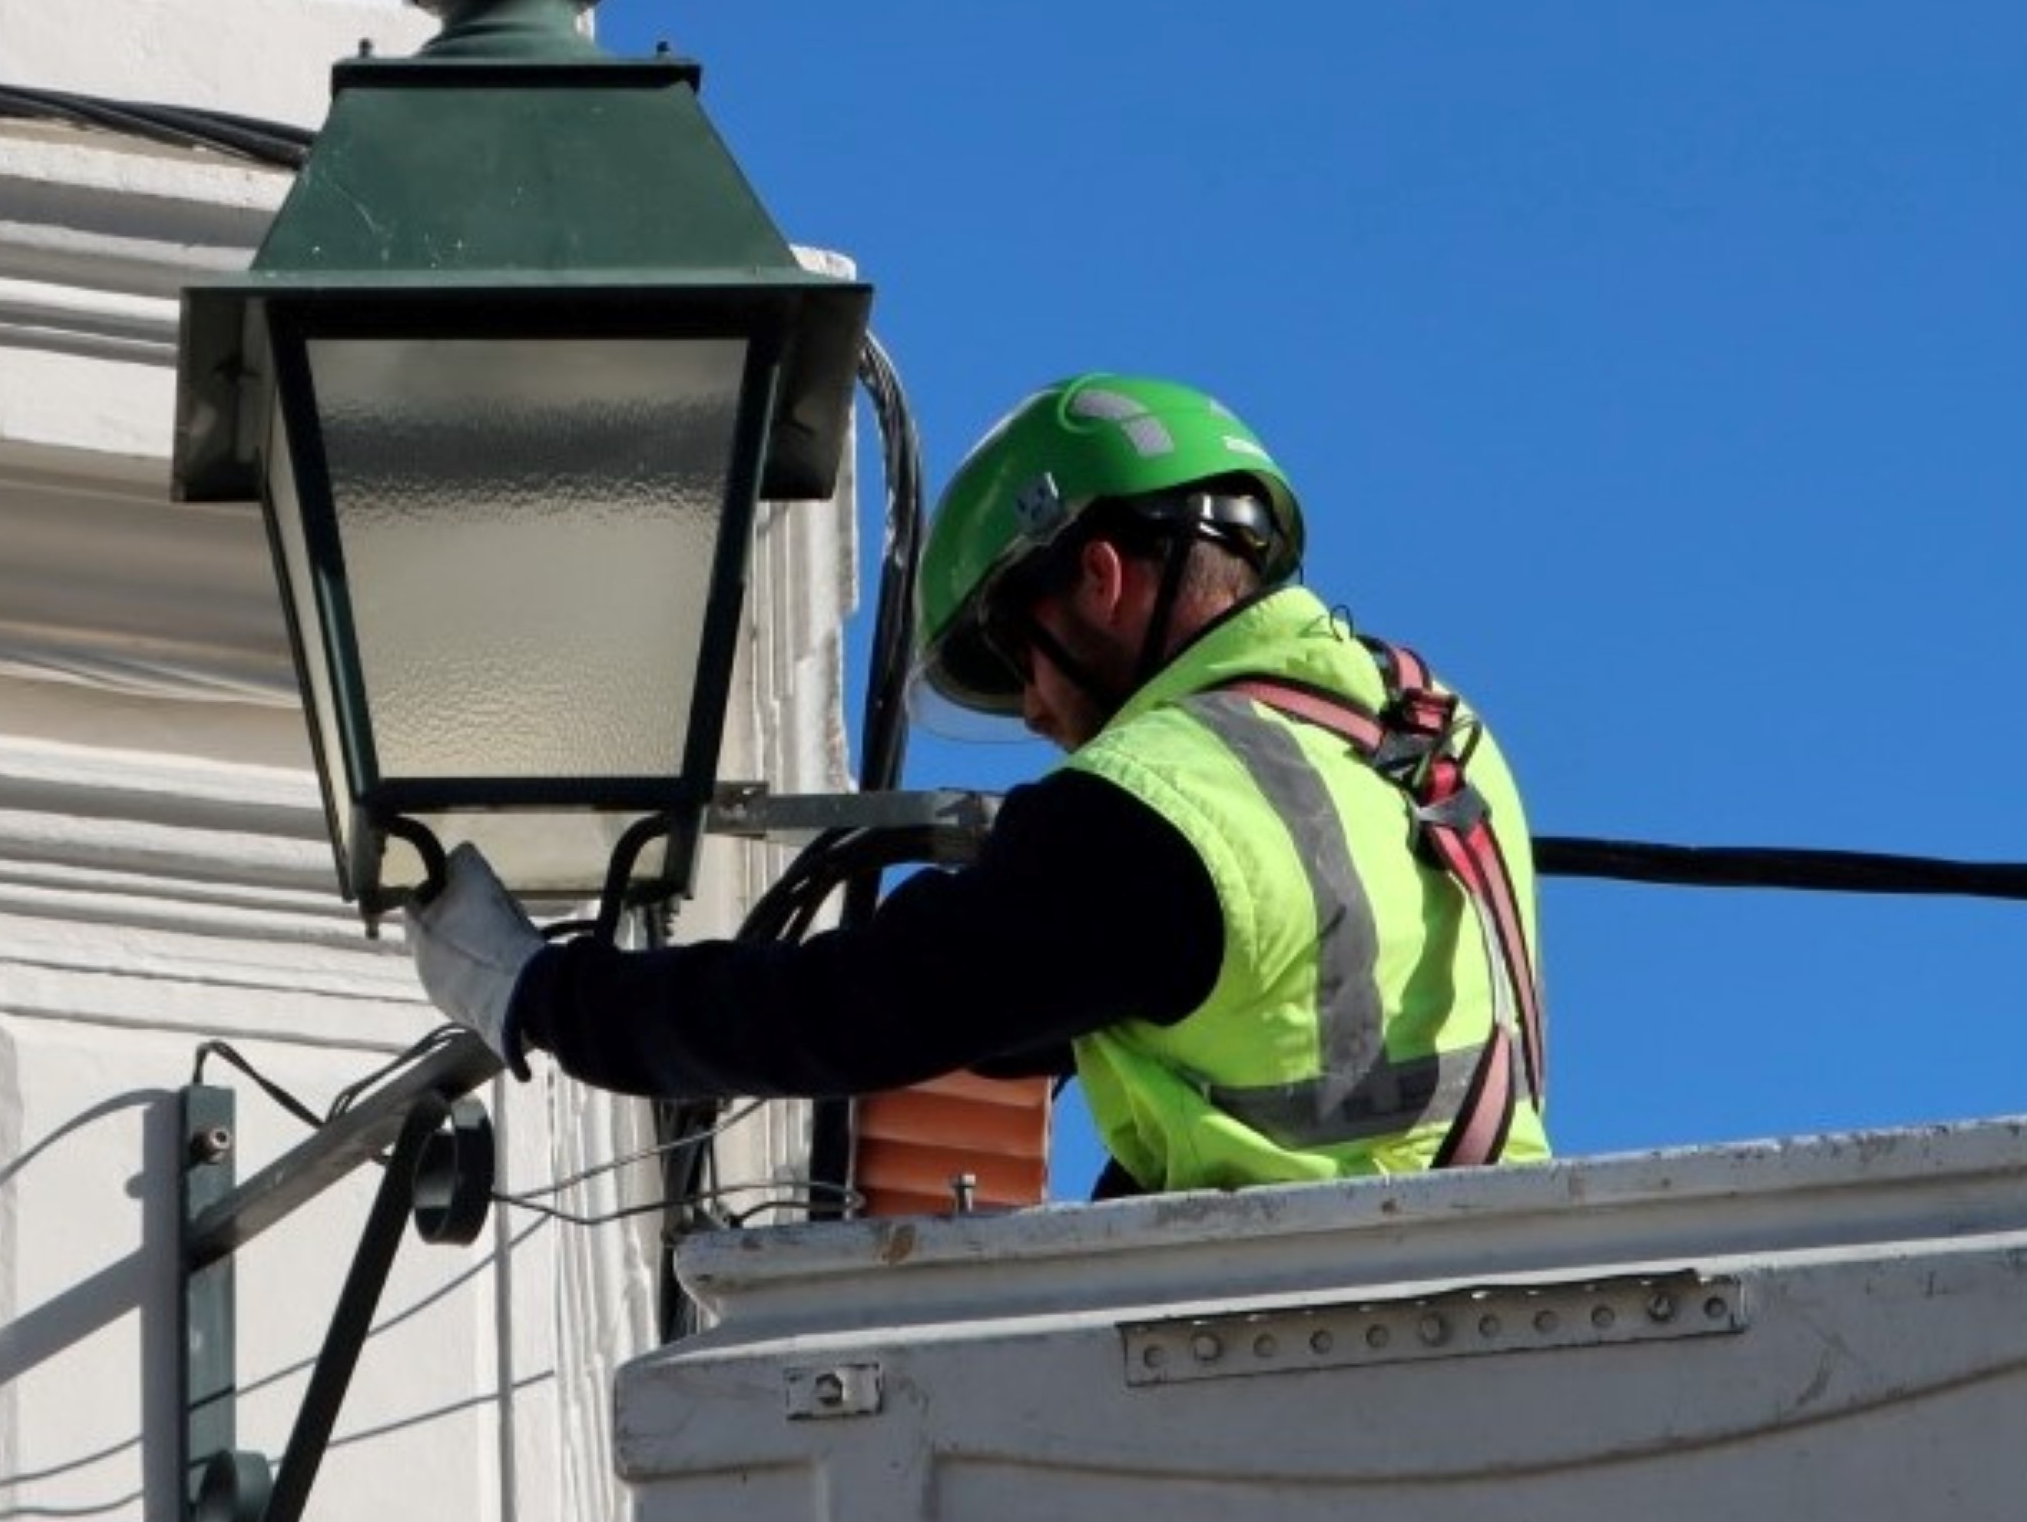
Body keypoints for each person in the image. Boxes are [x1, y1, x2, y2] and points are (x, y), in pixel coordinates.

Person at [407, 373, 1547, 1197]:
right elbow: (1254, 1004)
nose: (1039, 717)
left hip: (1288, 1337)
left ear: (1098, 576)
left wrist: (540, 997)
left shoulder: (1158, 803)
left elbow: (852, 1010)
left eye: (1019, 664)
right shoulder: (1430, 736)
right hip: (1486, 1281)